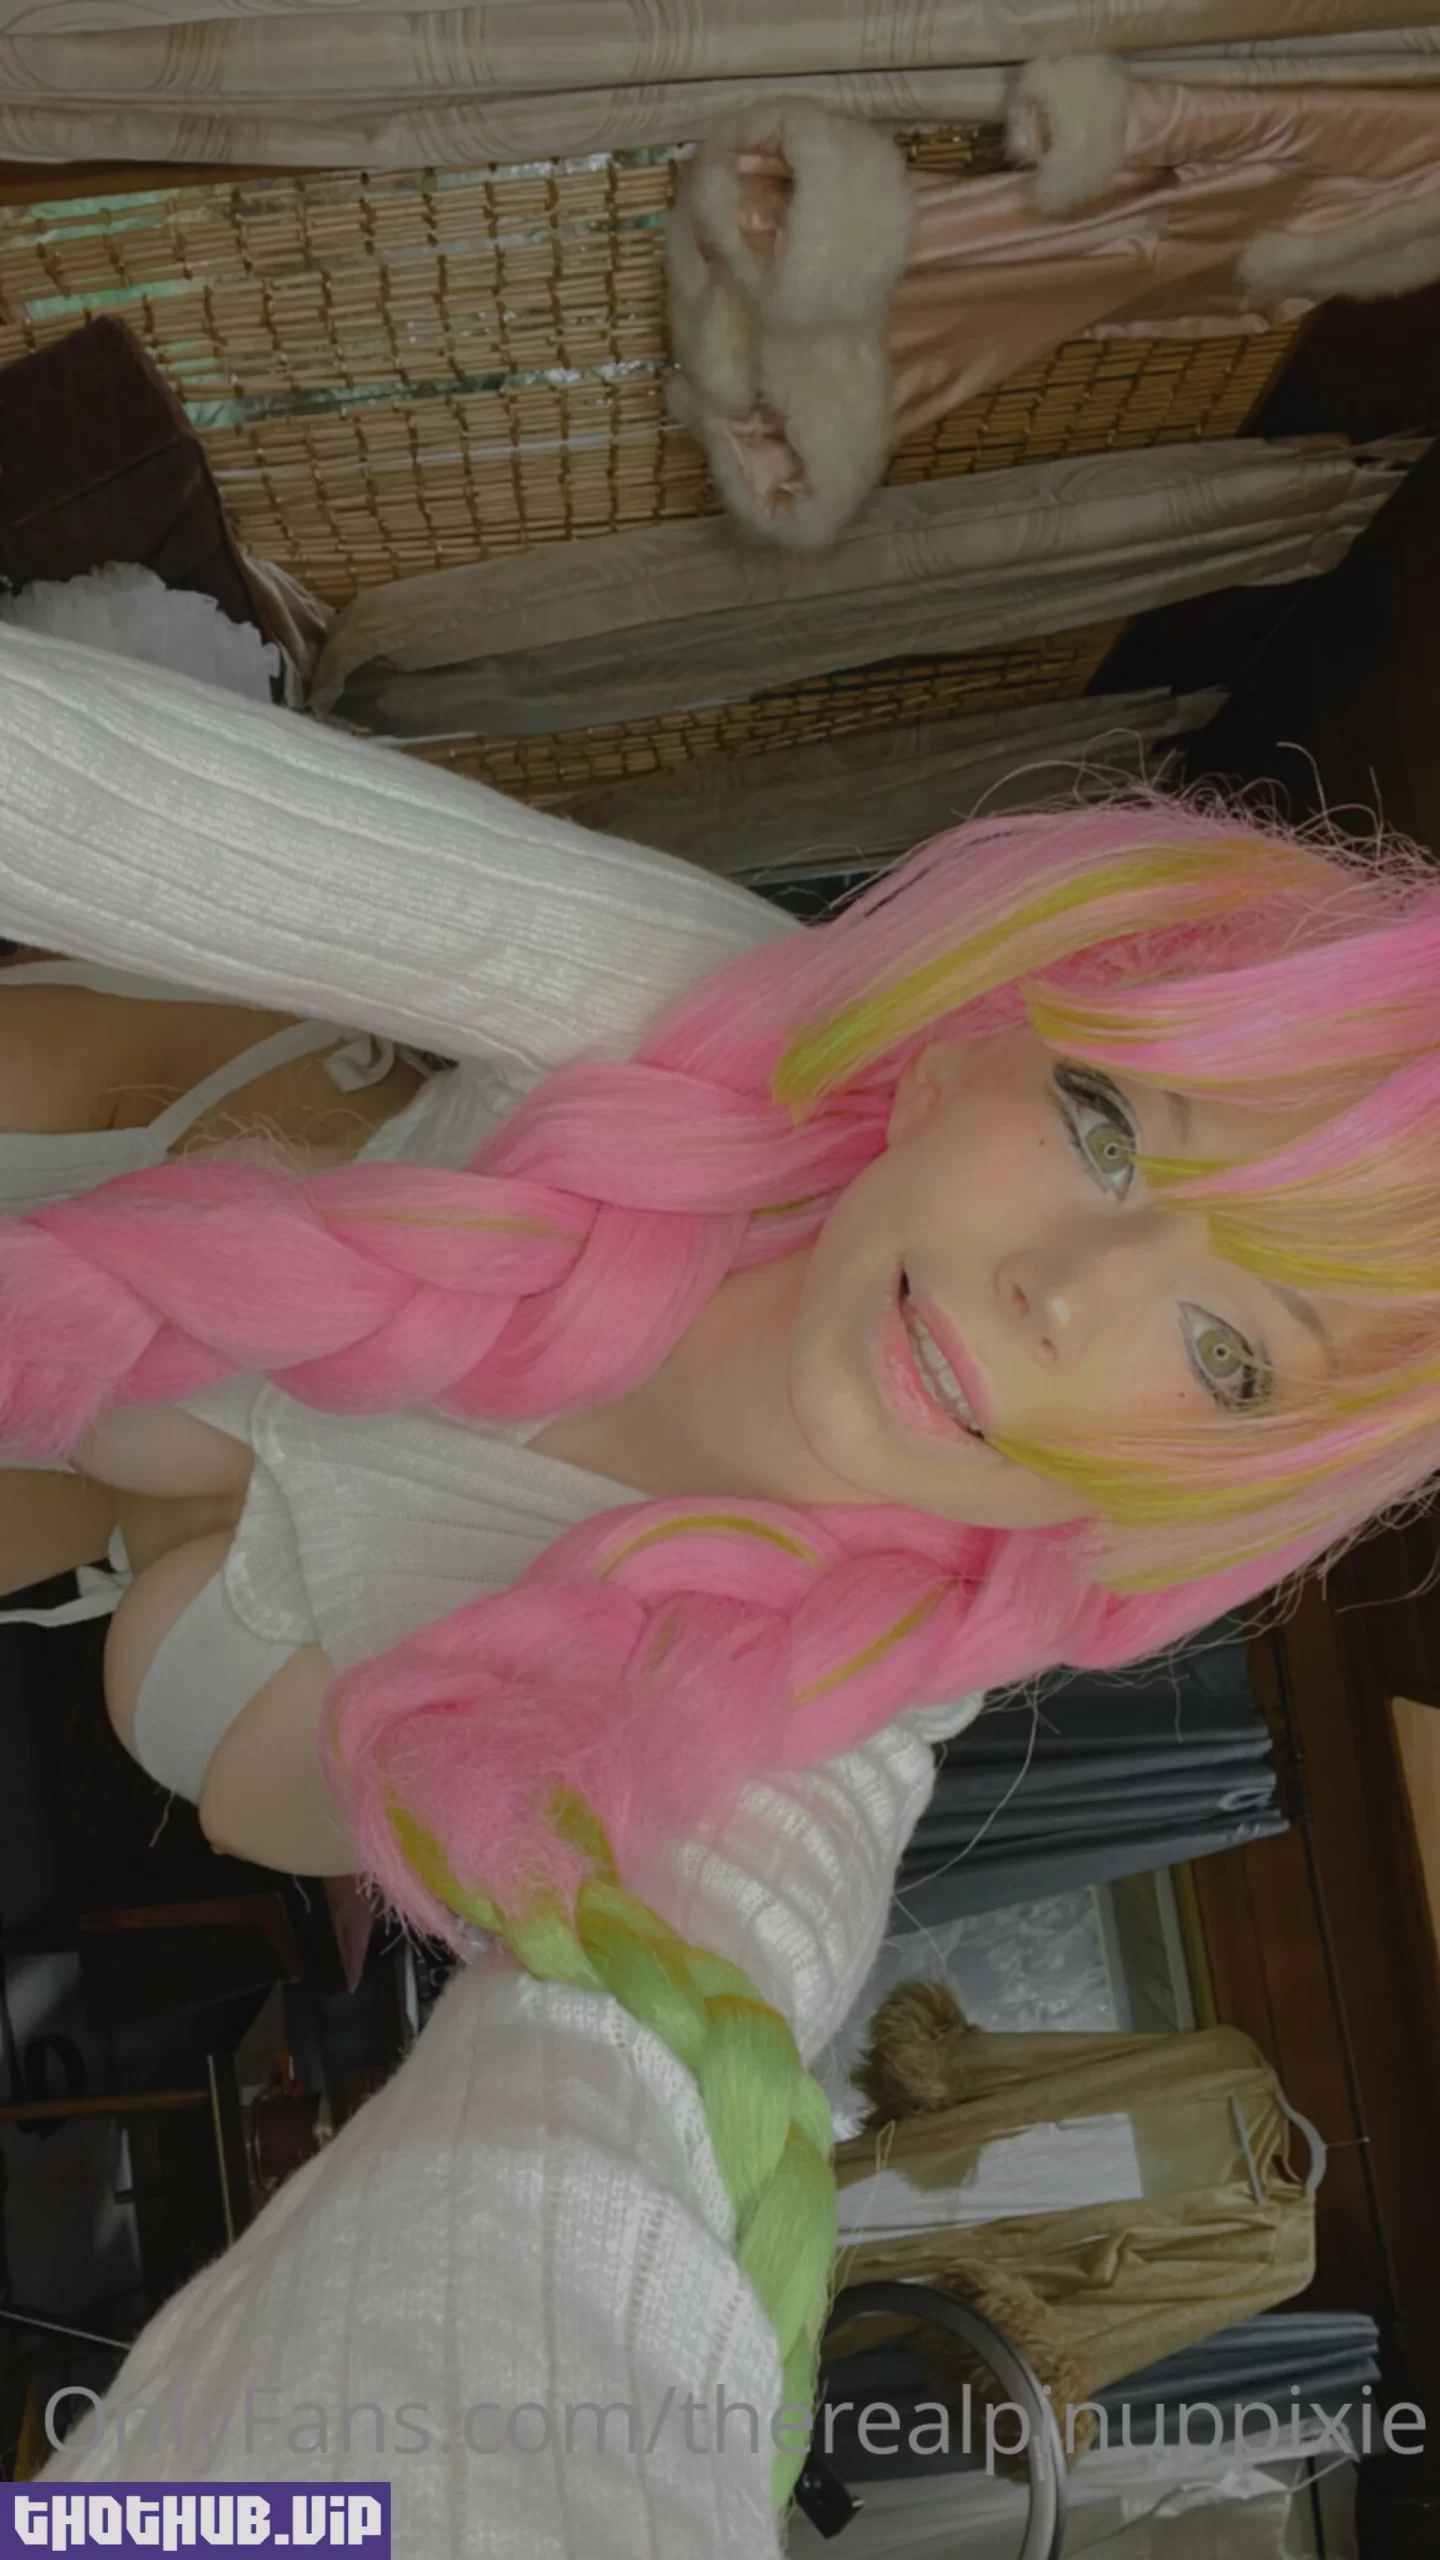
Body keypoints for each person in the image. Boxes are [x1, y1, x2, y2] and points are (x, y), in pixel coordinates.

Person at [2, 624, 1434, 2551]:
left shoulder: (827, 1718)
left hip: (164, 1563)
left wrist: (285, 2512)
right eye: (1105, 1127)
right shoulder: (693, 1009)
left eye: (1231, 1355)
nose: (1068, 1295)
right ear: (968, 1043)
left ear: (1230, 1483)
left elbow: (611, 2160)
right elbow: (138, 804)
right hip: (151, 1145)